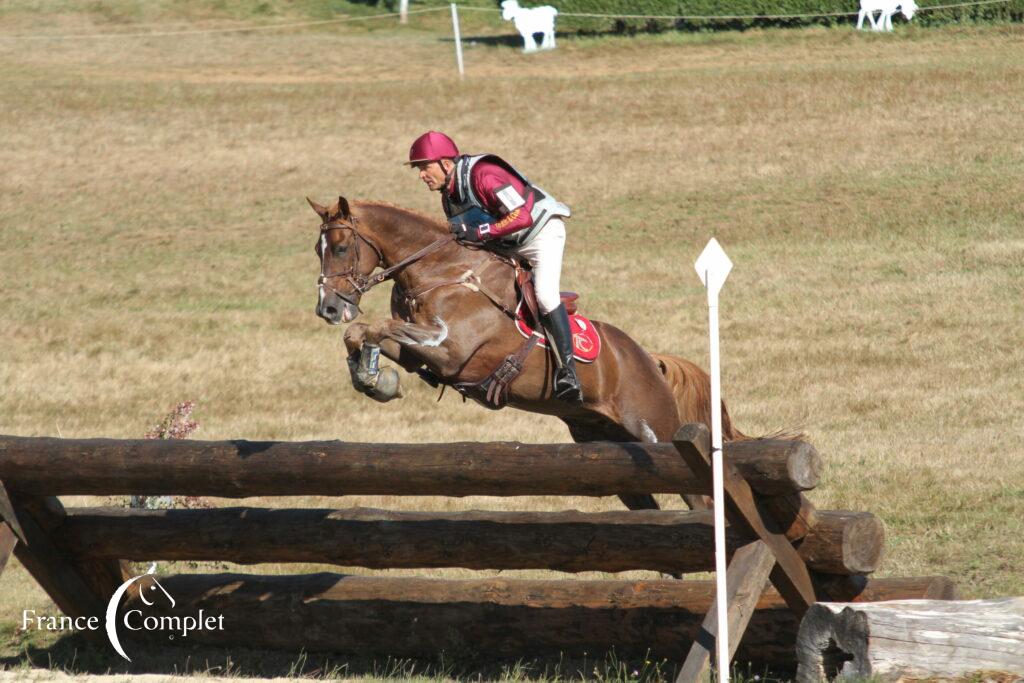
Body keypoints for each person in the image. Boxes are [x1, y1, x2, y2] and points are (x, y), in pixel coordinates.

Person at [406, 130, 582, 404]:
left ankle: (568, 372)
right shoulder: (449, 198)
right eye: (418, 169)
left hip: (540, 234)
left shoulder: (483, 175)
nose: (421, 175)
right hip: (507, 243)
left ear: (446, 163)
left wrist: (481, 232)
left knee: (546, 295)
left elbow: (521, 215)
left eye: (424, 167)